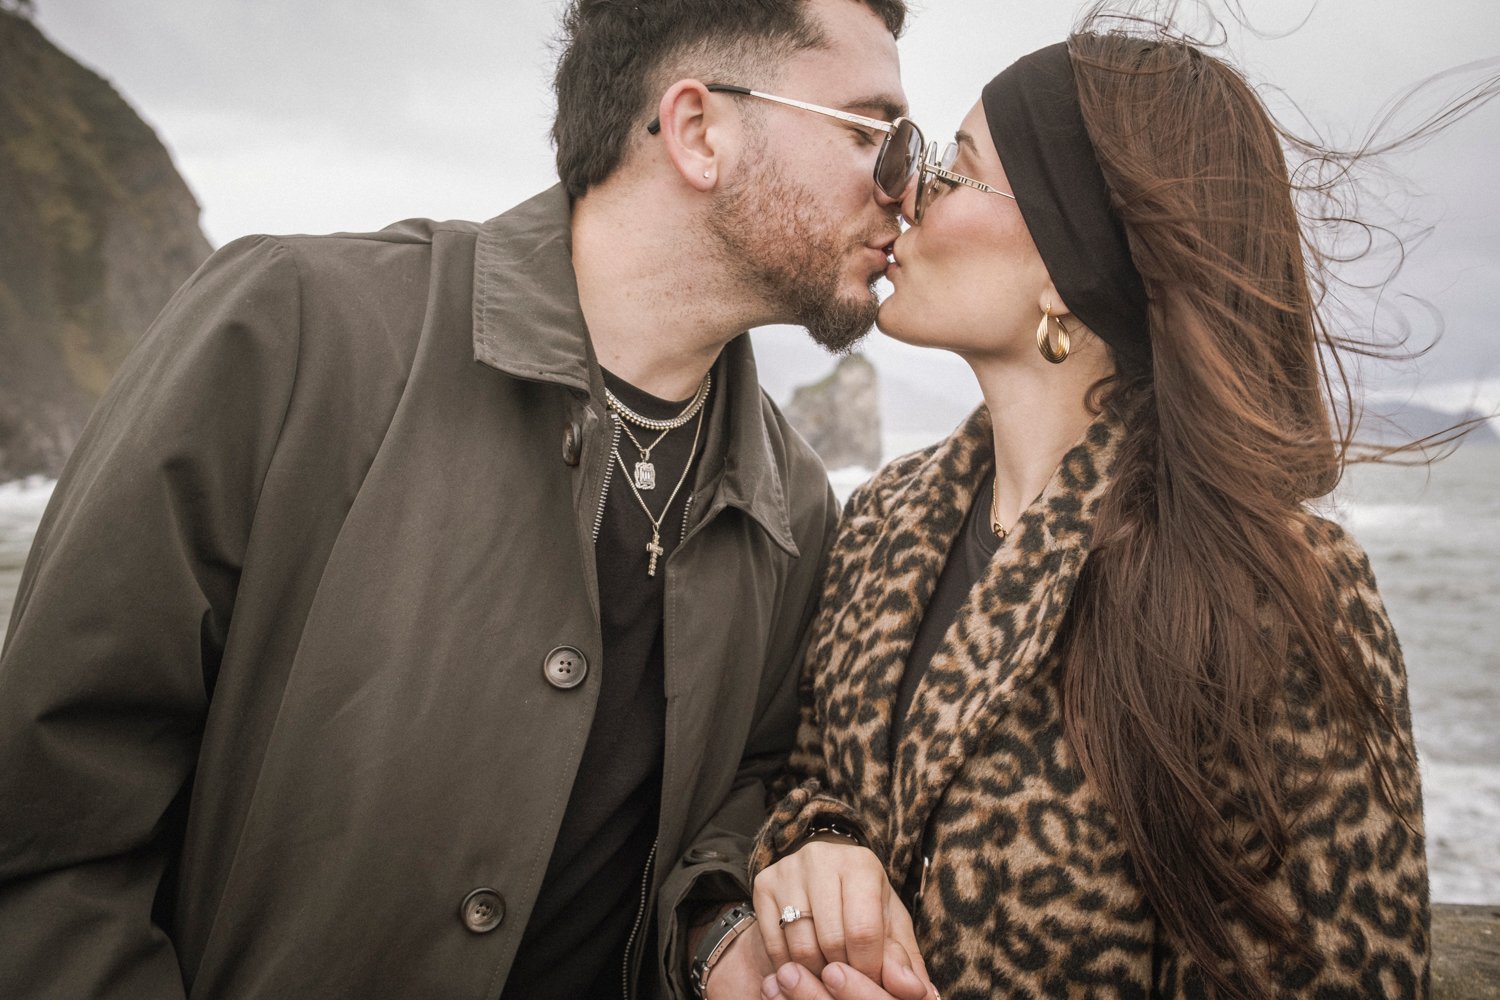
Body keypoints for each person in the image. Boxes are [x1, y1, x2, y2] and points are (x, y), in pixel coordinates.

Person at [0, 1, 921, 996]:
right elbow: (53, 828)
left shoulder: (794, 502)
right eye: (875, 135)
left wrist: (719, 933)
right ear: (699, 131)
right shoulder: (294, 333)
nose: (906, 190)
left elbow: (735, 803)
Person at [743, 27, 1448, 1000]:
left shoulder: (1272, 596)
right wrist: (818, 849)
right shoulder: (879, 522)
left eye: (953, 169)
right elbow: (805, 778)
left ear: (1068, 261)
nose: (903, 189)